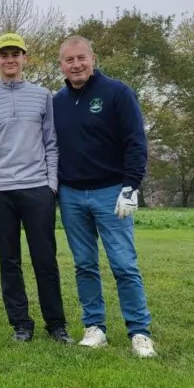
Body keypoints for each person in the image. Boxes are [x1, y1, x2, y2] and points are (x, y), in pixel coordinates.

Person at [53, 36, 156, 358]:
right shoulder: (56, 101)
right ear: (61, 65)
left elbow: (136, 142)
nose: (76, 65)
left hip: (112, 192)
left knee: (124, 264)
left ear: (92, 58)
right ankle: (94, 327)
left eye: (81, 58)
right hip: (70, 194)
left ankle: (139, 332)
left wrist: (131, 187)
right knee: (84, 265)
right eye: (69, 60)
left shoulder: (117, 93)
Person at [0, 33, 72, 344]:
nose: (10, 59)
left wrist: (51, 184)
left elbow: (52, 143)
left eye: (15, 53)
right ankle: (21, 325)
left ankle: (56, 325)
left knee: (45, 259)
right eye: (4, 55)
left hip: (36, 187)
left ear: (25, 58)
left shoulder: (43, 95)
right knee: (9, 261)